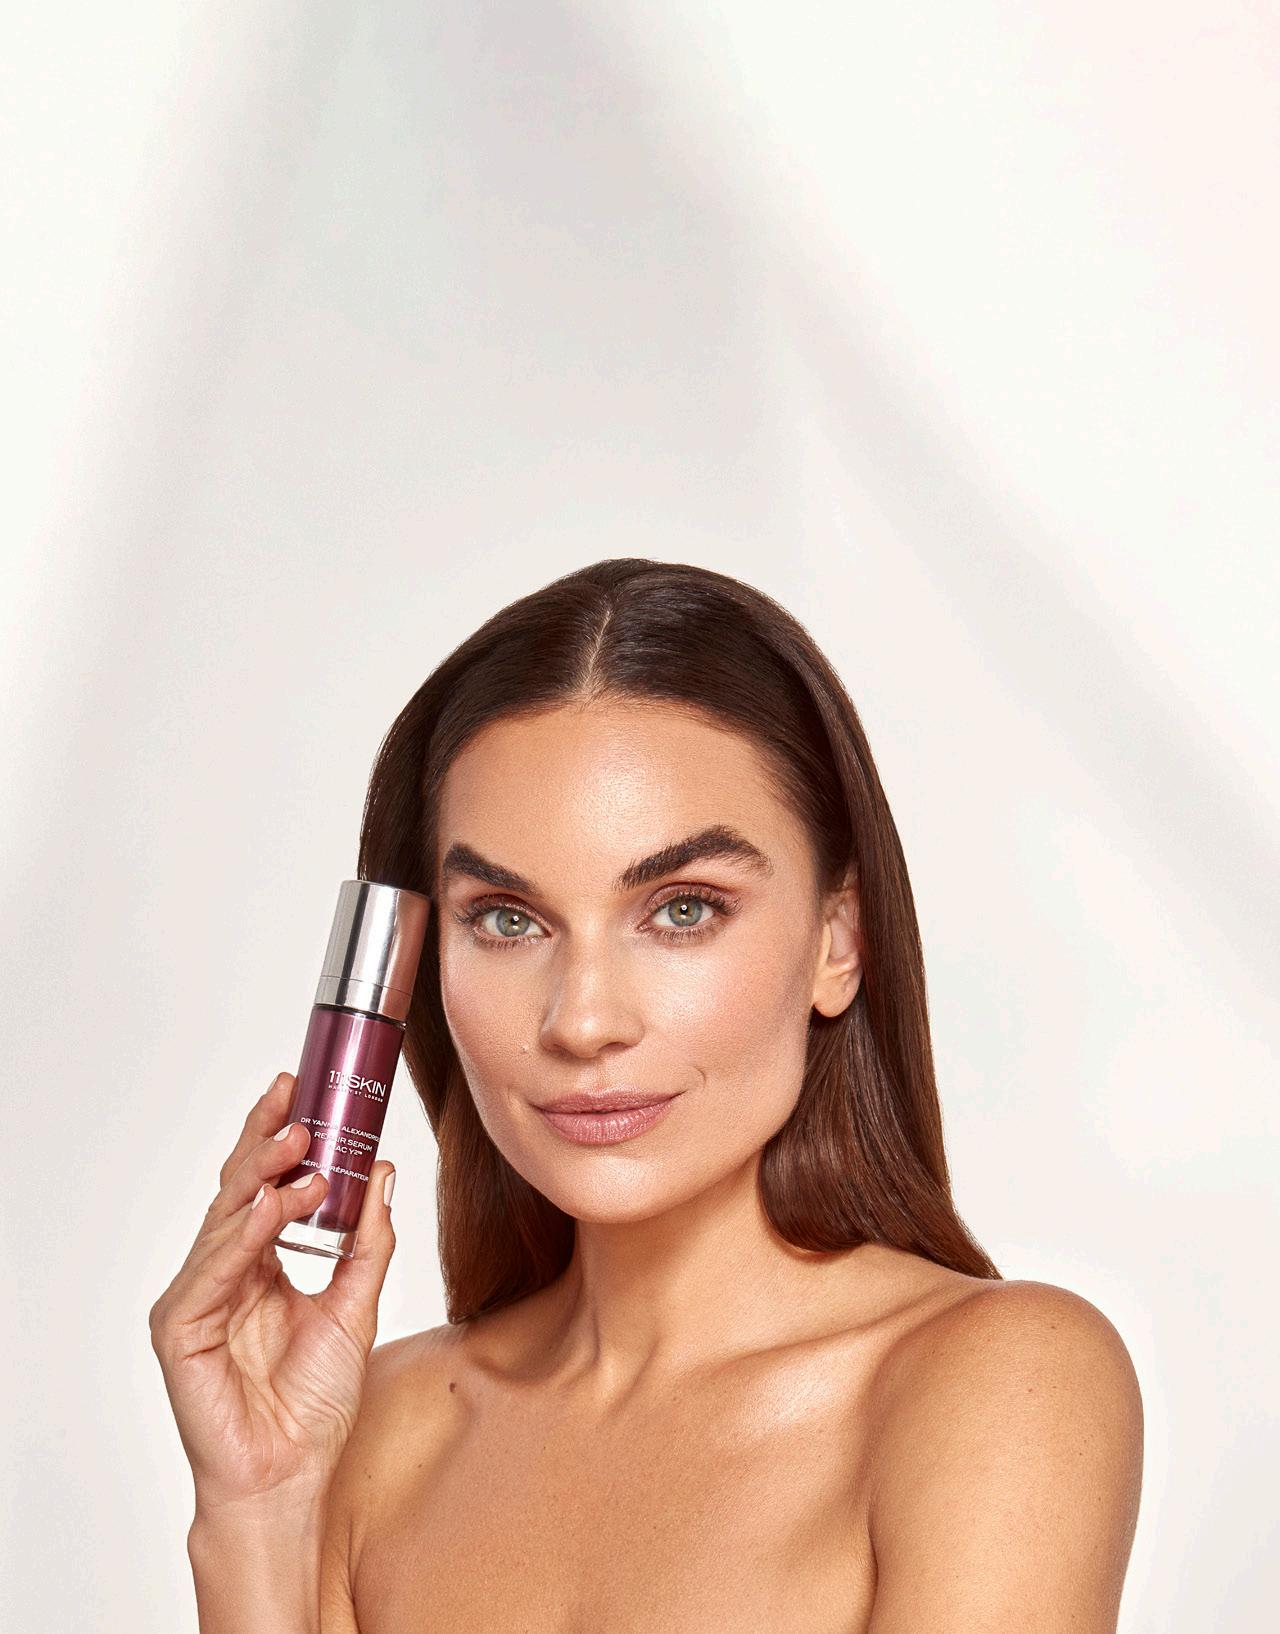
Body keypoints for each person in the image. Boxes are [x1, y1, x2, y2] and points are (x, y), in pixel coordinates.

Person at [150, 557, 1144, 1633]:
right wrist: (259, 1510)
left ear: (838, 941)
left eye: (682, 910)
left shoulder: (995, 1383)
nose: (582, 1022)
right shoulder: (375, 1433)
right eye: (507, 920)